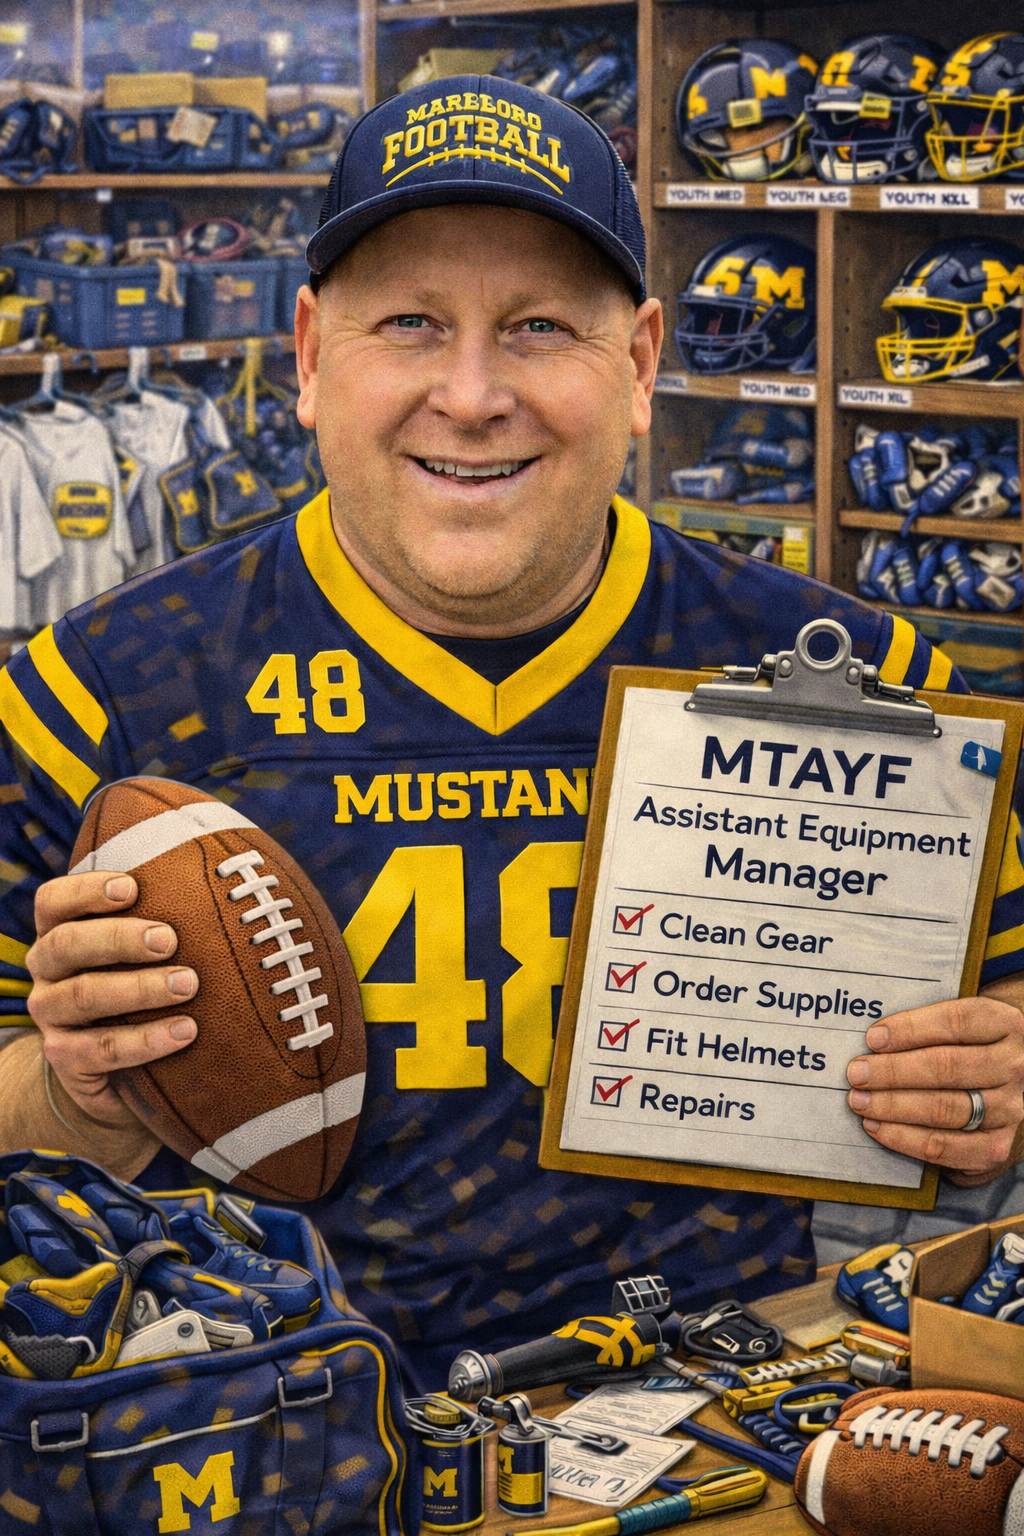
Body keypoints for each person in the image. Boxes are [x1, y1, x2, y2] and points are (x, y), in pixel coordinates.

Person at [1, 78, 1022, 1392]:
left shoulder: (868, 680)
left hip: (715, 1395)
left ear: (643, 365)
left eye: (540, 327)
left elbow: (1004, 1003)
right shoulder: (102, 692)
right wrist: (84, 1092)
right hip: (261, 1429)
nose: (473, 394)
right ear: (311, 356)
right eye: (411, 324)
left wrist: (987, 1077)